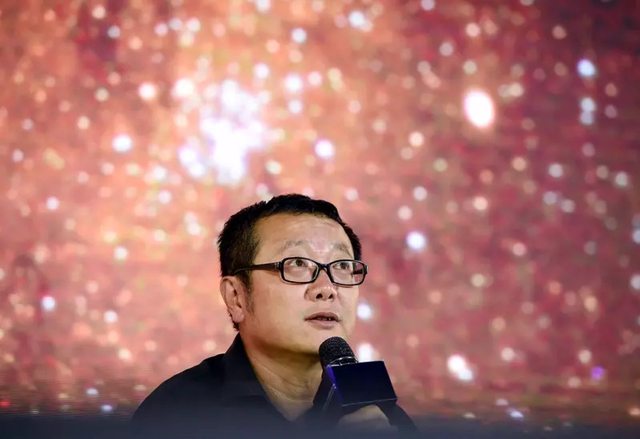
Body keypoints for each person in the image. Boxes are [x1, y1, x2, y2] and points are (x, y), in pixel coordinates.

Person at [132, 194, 416, 437]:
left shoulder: (381, 417)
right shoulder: (177, 413)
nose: (327, 289)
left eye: (342, 266)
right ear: (236, 297)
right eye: (298, 263)